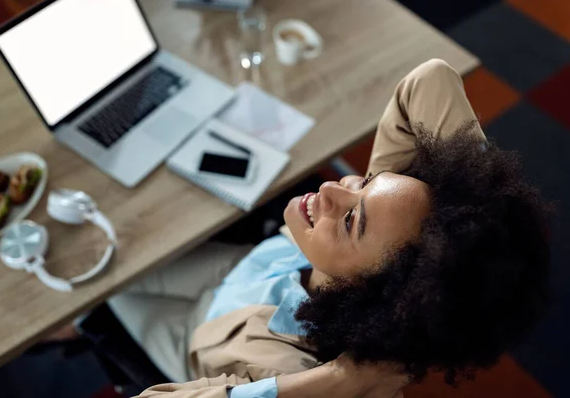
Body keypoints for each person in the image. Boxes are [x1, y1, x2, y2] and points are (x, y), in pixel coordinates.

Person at [105, 59, 551, 397]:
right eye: (368, 182)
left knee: (98, 291)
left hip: (190, 335)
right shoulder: (395, 237)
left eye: (354, 218)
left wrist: (340, 378)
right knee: (115, 260)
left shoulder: (291, 367)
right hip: (232, 271)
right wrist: (481, 207)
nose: (335, 189)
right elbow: (429, 80)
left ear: (373, 295)